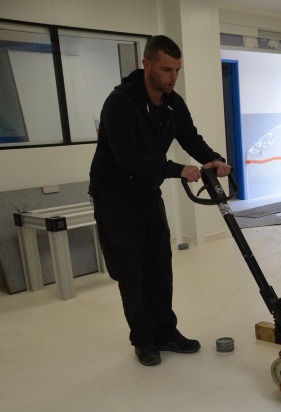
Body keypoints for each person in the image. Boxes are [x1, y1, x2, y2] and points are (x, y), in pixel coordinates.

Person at [89, 35, 232, 366]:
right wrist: (178, 170)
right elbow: (129, 158)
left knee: (160, 267)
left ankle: (166, 332)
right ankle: (143, 339)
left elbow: (190, 138)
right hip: (115, 198)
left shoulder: (172, 103)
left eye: (177, 70)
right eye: (166, 69)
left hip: (148, 194)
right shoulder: (120, 103)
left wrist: (213, 159)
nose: (172, 76)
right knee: (132, 272)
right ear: (147, 64)